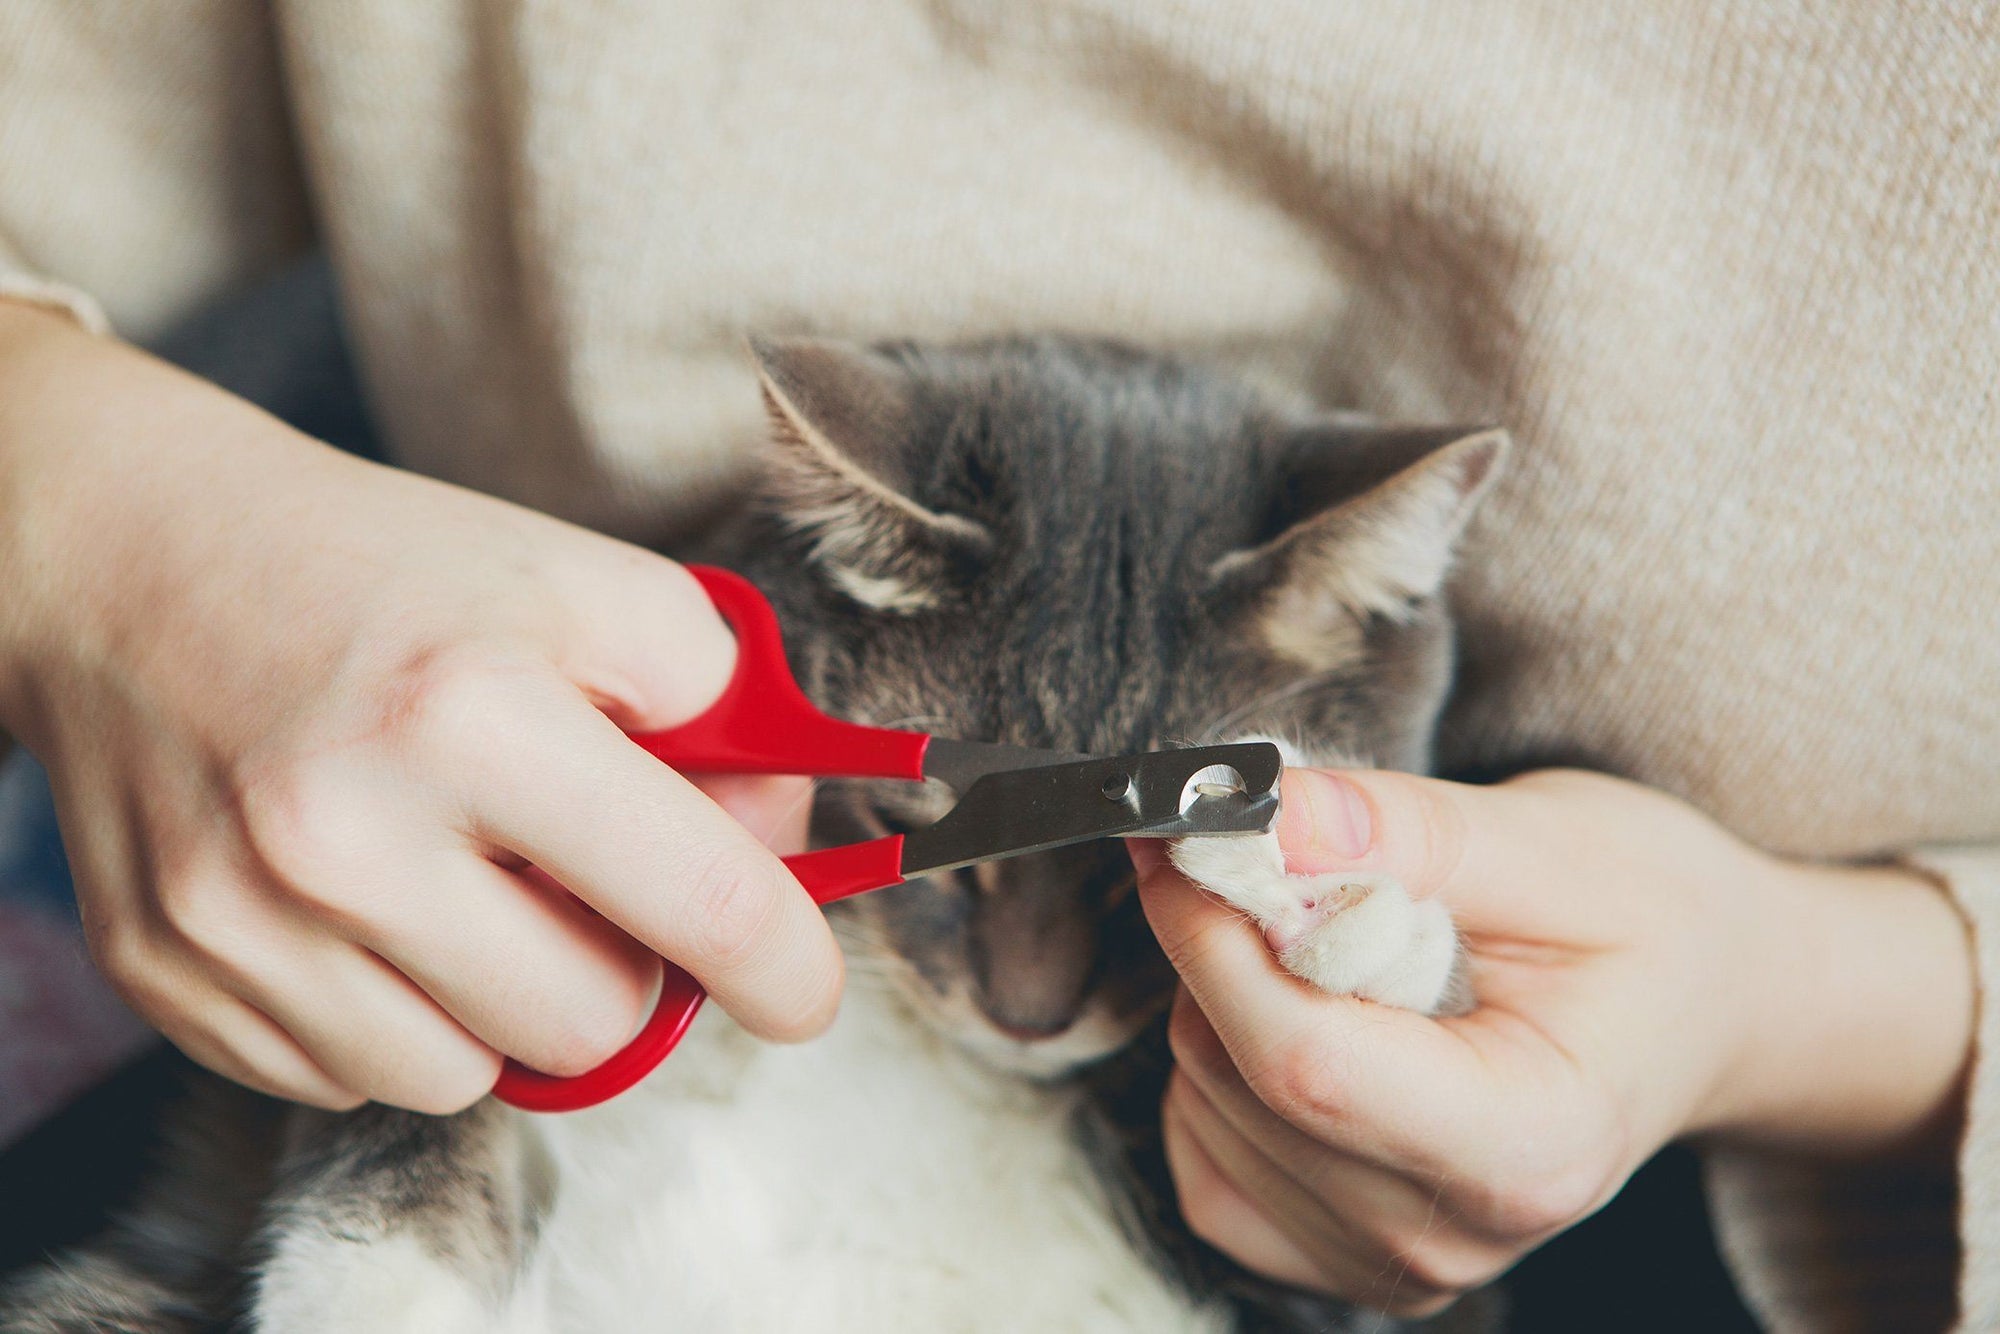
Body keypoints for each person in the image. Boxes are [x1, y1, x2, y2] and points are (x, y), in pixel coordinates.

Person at [1, 6, 1994, 1328]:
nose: (1024, 990)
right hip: (465, 797)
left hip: (1611, 1198)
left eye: (1089, 876)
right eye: (952, 838)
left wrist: (1793, 997)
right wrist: (91, 511)